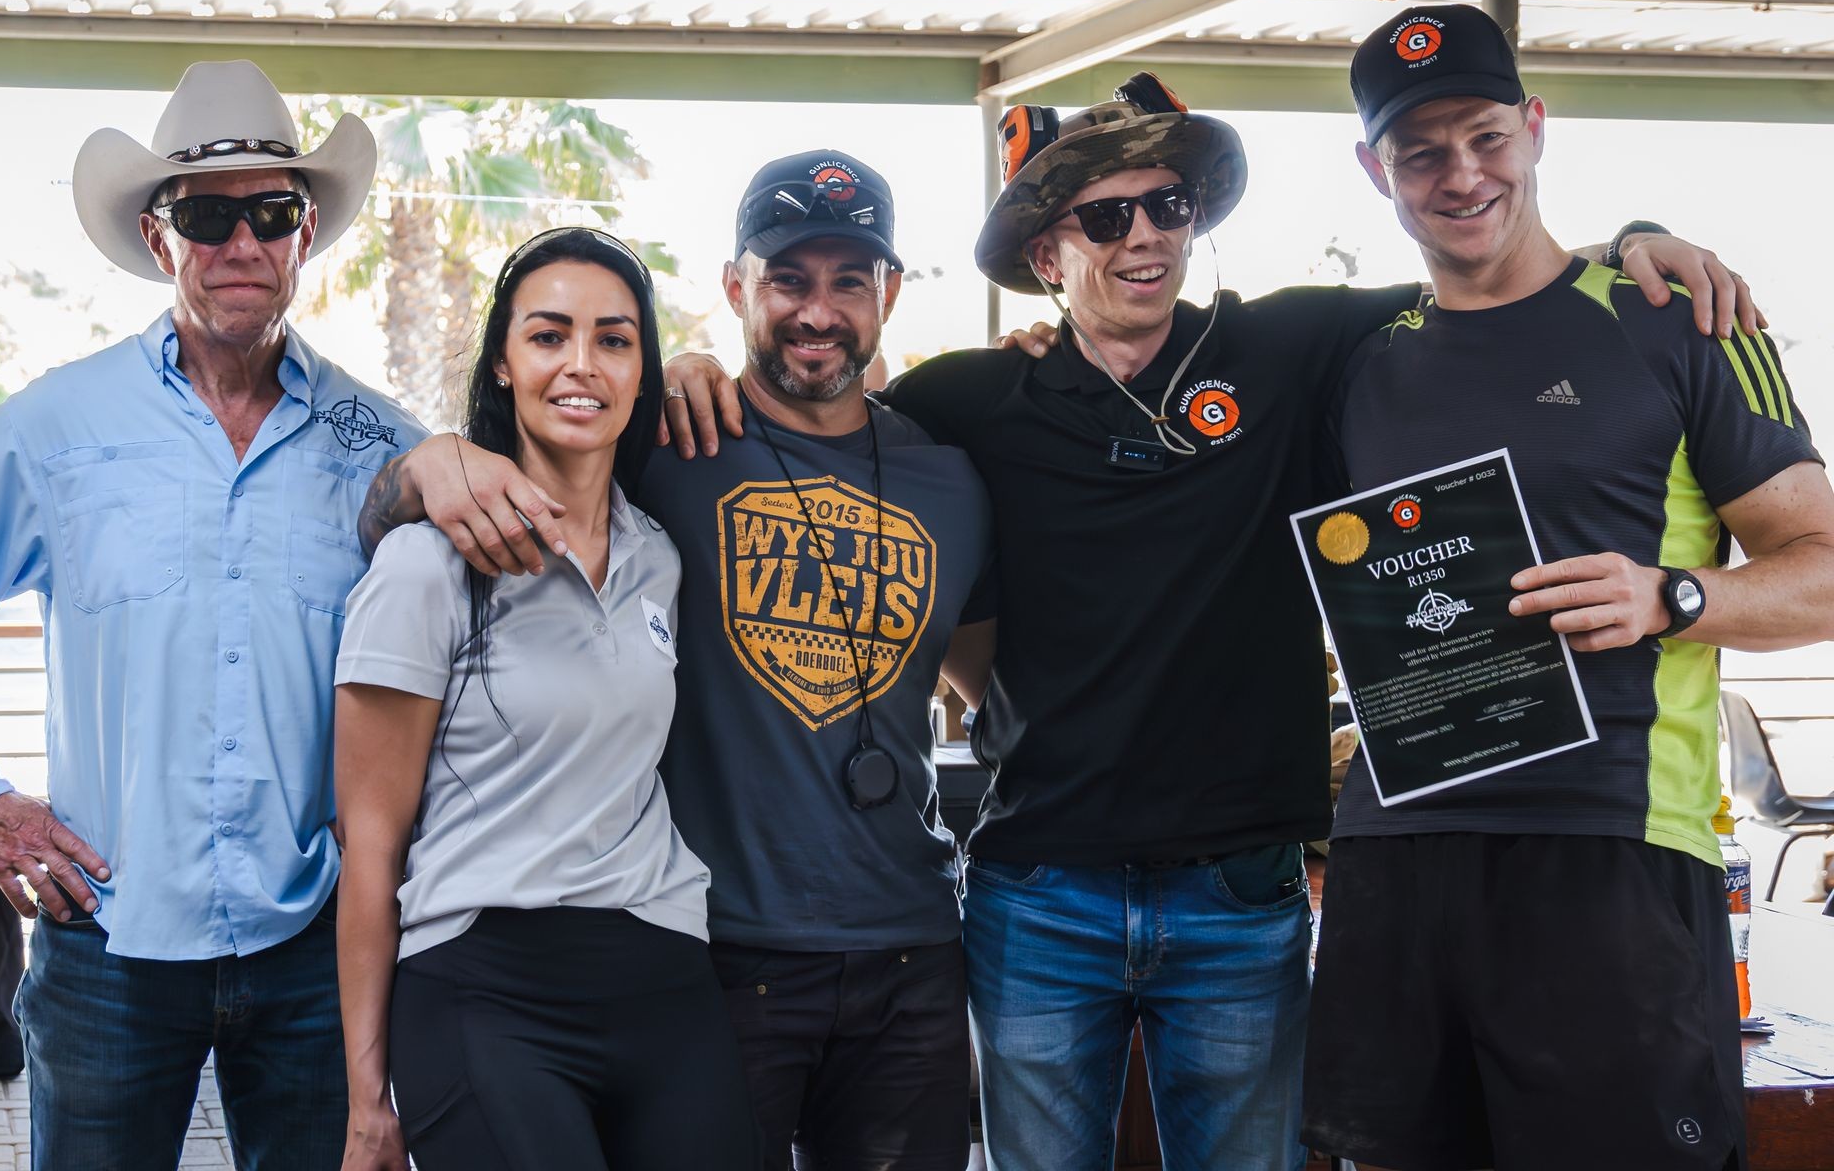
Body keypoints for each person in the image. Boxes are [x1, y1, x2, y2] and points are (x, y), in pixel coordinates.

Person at [664, 78, 1764, 1170]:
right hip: (1038, 892)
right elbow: (820, 408)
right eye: (1106, 216)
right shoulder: (964, 402)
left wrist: (1638, 243)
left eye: (1168, 205)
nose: (1144, 235)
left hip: (1241, 890)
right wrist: (685, 369)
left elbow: (1493, 268)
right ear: (1048, 256)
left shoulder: (1296, 343)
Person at [355, 151, 996, 1171]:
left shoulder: (952, 481)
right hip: (721, 952)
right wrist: (432, 462)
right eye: (788, 278)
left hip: (910, 948)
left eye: (850, 280)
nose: (818, 310)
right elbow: (451, 485)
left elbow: (994, 687)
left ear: (891, 293)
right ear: (737, 288)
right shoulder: (668, 447)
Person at [1300, 2, 1834, 1171]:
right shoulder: (1359, 357)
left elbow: (1825, 567)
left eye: (1487, 136)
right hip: (1398, 853)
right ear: (1374, 169)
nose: (1461, 174)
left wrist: (1674, 597)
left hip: (1611, 851)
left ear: (1535, 127)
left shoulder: (1681, 325)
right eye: (1420, 152)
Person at [0, 61, 425, 1169]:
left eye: (271, 213)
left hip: (319, 946)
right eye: (205, 216)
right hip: (110, 943)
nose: (241, 242)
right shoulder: (54, 428)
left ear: (305, 235)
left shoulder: (385, 447)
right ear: (159, 239)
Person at [331, 226, 757, 1170]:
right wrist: (367, 1101)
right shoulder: (424, 565)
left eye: (614, 340)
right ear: (503, 362)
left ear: (643, 373)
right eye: (549, 335)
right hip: (482, 979)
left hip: (662, 969)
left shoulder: (660, 557)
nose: (581, 365)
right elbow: (369, 842)